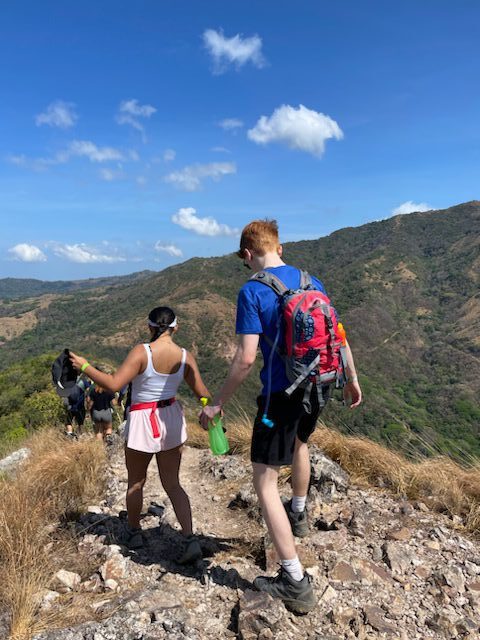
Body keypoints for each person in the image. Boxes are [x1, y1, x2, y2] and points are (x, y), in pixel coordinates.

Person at [200, 219, 362, 614]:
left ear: (247, 255)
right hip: (320, 385)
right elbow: (337, 336)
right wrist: (352, 380)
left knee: (264, 480)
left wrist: (217, 402)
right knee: (300, 443)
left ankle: (293, 580)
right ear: (280, 248)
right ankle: (300, 515)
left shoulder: (252, 290)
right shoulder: (312, 281)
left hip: (280, 395)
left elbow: (246, 358)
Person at [70, 306, 211, 562]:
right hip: (171, 418)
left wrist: (85, 365)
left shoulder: (142, 352)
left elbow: (113, 384)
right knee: (173, 484)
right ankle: (190, 539)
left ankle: (135, 532)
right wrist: (210, 414)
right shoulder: (184, 356)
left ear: (149, 327)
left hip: (142, 420)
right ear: (175, 328)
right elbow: (202, 392)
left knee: (136, 481)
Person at [86, 379, 116, 444]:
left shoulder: (94, 391)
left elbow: (90, 404)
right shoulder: (109, 390)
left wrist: (88, 411)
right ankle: (108, 444)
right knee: (108, 429)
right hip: (106, 412)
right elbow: (114, 403)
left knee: (98, 432)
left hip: (96, 413)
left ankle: (100, 448)